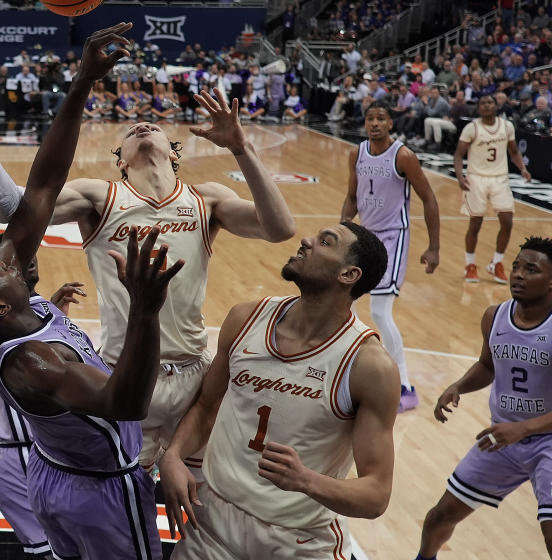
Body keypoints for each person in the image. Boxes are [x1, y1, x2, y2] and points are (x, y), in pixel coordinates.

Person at [0, 22, 178, 559]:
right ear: (0, 304)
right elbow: (125, 404)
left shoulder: (3, 311)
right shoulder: (35, 362)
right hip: (99, 489)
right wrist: (146, 312)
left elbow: (42, 186)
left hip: (53, 474)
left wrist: (82, 81)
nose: (4, 258)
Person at [0, 87, 295, 474]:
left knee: (206, 500)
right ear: (120, 162)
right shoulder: (100, 196)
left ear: (172, 151)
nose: (142, 125)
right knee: (125, 497)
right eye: (131, 131)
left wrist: (241, 148)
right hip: (126, 374)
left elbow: (280, 228)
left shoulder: (208, 199)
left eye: (152, 126)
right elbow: (13, 209)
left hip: (195, 376)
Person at [160, 222, 400, 558]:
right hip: (211, 524)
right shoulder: (246, 318)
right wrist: (173, 455)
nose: (306, 240)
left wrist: (306, 480)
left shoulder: (369, 366)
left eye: (324, 242)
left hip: (296, 541)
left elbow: (376, 495)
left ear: (348, 274)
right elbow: (206, 405)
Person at [415, 237, 552, 560]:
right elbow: (488, 365)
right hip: (503, 438)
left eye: (531, 270)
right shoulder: (494, 317)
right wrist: (458, 386)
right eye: (516, 267)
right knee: (439, 517)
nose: (518, 275)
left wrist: (524, 428)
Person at [0, 233, 85, 560]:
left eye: (31, 251)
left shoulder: (39, 310)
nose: (30, 257)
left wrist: (56, 320)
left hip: (47, 453)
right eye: (19, 255)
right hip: (16, 454)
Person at [342, 105, 440, 412]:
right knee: (346, 302)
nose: (374, 123)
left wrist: (434, 246)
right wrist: (343, 225)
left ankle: (405, 386)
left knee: (381, 311)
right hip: (364, 236)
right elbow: (352, 196)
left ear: (390, 123)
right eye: (370, 118)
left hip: (392, 238)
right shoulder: (356, 154)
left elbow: (429, 198)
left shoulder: (403, 156)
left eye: (380, 119)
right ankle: (351, 371)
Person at [454, 95, 531, 284]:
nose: (486, 106)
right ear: (478, 107)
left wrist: (522, 168)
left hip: (500, 179)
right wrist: (460, 176)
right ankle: (470, 265)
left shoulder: (507, 126)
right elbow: (458, 154)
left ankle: (496, 263)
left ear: (496, 106)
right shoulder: (472, 128)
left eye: (489, 103)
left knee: (507, 221)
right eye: (483, 103)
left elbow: (513, 151)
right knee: (475, 224)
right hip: (476, 178)